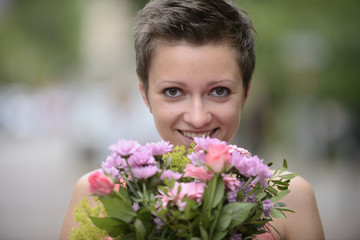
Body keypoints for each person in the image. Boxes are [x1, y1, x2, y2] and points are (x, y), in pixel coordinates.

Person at [60, 0, 325, 239]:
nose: (198, 118)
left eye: (219, 91)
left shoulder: (291, 199)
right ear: (144, 93)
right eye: (173, 92)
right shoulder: (99, 192)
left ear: (246, 91)